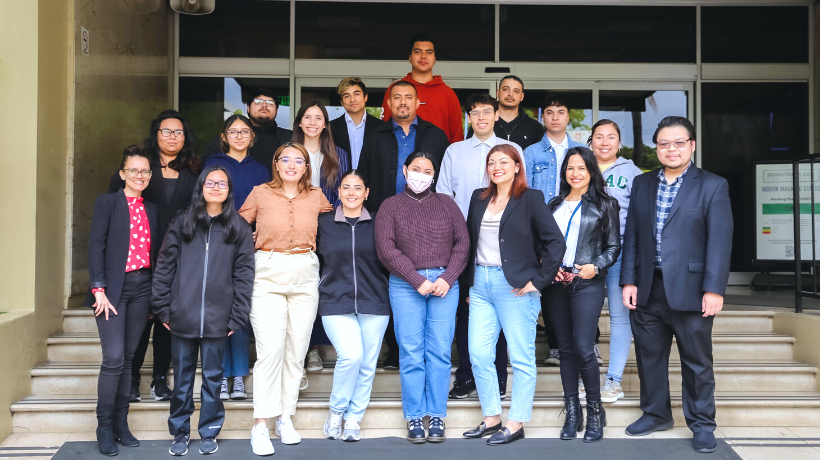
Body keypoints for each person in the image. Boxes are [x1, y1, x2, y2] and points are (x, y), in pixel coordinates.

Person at [621, 116, 733, 454]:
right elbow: (633, 238)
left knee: (697, 362)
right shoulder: (642, 184)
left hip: (693, 289)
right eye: (664, 143)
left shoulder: (712, 185)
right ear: (656, 148)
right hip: (647, 286)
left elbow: (719, 241)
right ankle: (656, 414)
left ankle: (701, 423)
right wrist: (629, 279)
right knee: (649, 357)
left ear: (692, 145)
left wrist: (714, 289)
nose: (671, 149)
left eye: (678, 143)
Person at [462, 144, 564, 445]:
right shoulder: (478, 199)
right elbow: (470, 243)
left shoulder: (530, 199)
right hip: (481, 284)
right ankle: (492, 417)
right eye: (492, 162)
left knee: (520, 358)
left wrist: (540, 281)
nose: (497, 167)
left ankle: (516, 422)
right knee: (479, 354)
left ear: (517, 166)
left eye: (504, 162)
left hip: (516, 287)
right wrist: (470, 284)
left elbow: (555, 242)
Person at [152, 166, 255, 456]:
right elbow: (165, 267)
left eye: (222, 183)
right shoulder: (182, 222)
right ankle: (180, 431)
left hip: (218, 319)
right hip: (181, 315)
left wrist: (237, 315)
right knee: (182, 379)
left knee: (213, 378)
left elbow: (244, 275)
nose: (216, 187)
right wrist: (162, 309)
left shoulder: (239, 226)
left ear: (229, 190)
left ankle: (209, 430)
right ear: (201, 186)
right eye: (210, 182)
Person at [239, 142, 334, 456]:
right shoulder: (259, 192)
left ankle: (285, 417)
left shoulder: (317, 196)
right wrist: (248, 238)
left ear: (306, 166)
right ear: (276, 164)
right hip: (267, 270)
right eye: (286, 159)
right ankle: (260, 425)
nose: (292, 165)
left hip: (305, 270)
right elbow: (237, 227)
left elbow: (335, 229)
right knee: (271, 351)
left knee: (296, 352)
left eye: (299, 160)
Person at [375, 151, 469, 444]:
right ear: (405, 170)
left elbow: (463, 244)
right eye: (416, 169)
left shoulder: (447, 204)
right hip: (406, 285)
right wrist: (417, 280)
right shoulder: (390, 206)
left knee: (440, 351)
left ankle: (437, 414)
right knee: (412, 351)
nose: (421, 175)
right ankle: (415, 415)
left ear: (434, 175)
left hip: (444, 284)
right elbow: (386, 250)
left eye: (427, 171)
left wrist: (446, 278)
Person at [109, 110, 200, 404]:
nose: (172, 137)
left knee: (166, 319)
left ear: (185, 137)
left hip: (180, 253)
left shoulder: (195, 171)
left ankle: (159, 378)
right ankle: (132, 377)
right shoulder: (139, 168)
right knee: (139, 319)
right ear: (155, 134)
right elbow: (115, 210)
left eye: (178, 132)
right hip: (141, 256)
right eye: (166, 131)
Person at [438, 93, 524, 400]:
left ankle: (498, 378)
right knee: (466, 311)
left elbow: (520, 192)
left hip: (500, 243)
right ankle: (466, 377)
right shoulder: (454, 151)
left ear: (496, 114)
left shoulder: (511, 151)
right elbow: (444, 194)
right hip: (461, 242)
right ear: (468, 118)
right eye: (475, 113)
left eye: (487, 112)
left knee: (498, 310)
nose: (481, 117)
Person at [359, 81, 450, 369]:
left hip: (428, 222)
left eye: (408, 97)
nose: (402, 102)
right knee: (391, 282)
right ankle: (395, 348)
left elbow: (443, 178)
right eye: (396, 97)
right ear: (388, 103)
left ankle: (427, 349)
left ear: (417, 102)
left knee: (423, 281)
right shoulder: (376, 135)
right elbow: (365, 174)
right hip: (385, 217)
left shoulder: (435, 135)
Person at [543, 146, 620, 443]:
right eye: (570, 168)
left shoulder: (606, 204)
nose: (575, 174)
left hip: (586, 283)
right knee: (564, 350)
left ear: (591, 171)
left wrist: (595, 267)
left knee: (584, 348)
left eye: (581, 168)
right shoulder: (553, 204)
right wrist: (547, 268)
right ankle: (572, 411)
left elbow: (613, 247)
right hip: (556, 284)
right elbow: (544, 244)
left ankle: (595, 411)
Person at [87, 146, 158, 456]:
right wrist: (98, 289)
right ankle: (103, 427)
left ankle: (121, 424)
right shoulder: (108, 203)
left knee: (129, 358)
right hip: (112, 290)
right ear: (122, 174)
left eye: (144, 171)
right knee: (113, 358)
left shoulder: (152, 209)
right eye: (133, 170)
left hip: (143, 288)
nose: (139, 176)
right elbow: (95, 246)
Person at [317, 170, 390, 443]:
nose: (351, 192)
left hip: (375, 300)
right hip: (335, 300)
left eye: (357, 188)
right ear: (338, 192)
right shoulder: (323, 222)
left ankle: (354, 418)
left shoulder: (380, 223)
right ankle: (337, 410)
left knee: (368, 363)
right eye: (346, 187)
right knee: (351, 356)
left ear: (366, 193)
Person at [203, 115, 268, 401]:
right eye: (234, 131)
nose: (239, 136)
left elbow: (268, 207)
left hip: (248, 246)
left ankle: (239, 376)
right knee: (218, 307)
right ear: (224, 136)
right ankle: (220, 374)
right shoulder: (214, 167)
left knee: (240, 308)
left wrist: (259, 234)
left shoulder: (263, 170)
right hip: (216, 244)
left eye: (245, 131)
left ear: (252, 137)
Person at [523, 93, 586, 370]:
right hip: (543, 227)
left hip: (578, 224)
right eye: (549, 112)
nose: (555, 117)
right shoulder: (531, 153)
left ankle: (586, 344)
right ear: (542, 117)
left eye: (560, 111)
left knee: (580, 283)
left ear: (568, 116)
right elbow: (523, 192)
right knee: (550, 283)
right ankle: (557, 347)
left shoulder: (582, 150)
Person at [292, 100, 351, 382]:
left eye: (319, 118)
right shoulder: (288, 153)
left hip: (326, 227)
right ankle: (298, 352)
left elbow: (343, 193)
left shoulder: (338, 155)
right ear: (300, 123)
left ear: (325, 124)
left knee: (319, 288)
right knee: (298, 288)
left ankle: (313, 347)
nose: (313, 122)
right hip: (294, 228)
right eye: (308, 117)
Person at [588, 119, 642, 403]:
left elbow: (637, 217)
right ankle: (587, 378)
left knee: (620, 318)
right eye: (599, 137)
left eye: (611, 137)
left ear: (619, 143)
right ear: (591, 141)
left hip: (619, 253)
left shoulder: (632, 172)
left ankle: (614, 380)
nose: (605, 142)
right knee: (586, 316)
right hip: (586, 255)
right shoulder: (580, 167)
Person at [380, 33, 464, 144]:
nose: (423, 56)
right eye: (418, 51)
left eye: (429, 52)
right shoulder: (395, 90)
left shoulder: (448, 94)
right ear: (410, 58)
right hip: (400, 158)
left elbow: (457, 139)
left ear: (434, 59)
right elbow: (383, 131)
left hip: (438, 159)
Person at [204, 87, 292, 177]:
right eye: (258, 102)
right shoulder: (228, 138)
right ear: (248, 108)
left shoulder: (290, 137)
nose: (264, 105)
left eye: (270, 103)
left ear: (277, 110)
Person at [467, 75, 544, 150]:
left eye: (516, 91)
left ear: (522, 96)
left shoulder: (535, 128)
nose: (510, 94)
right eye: (506, 89)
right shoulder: (483, 124)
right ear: (498, 93)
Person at [329, 77, 385, 169]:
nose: (352, 99)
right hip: (341, 182)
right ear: (341, 102)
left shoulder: (381, 127)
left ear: (365, 97)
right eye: (347, 96)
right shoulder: (330, 128)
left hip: (372, 182)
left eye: (357, 94)